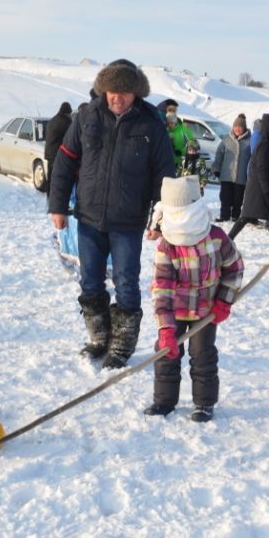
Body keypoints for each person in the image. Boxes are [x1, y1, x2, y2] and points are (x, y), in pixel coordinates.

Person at [48, 59, 175, 368]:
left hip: (128, 221)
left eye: (125, 91)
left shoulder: (151, 124)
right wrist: (58, 206)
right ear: (103, 90)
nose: (117, 97)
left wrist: (157, 219)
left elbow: (164, 175)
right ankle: (99, 337)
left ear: (136, 93)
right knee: (89, 281)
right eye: (112, 91)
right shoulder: (86, 117)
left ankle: (122, 345)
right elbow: (64, 163)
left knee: (126, 282)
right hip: (89, 217)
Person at [144, 176, 244, 422]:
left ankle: (204, 403)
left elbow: (235, 268)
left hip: (206, 311)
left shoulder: (216, 237)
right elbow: (163, 287)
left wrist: (224, 300)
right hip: (174, 311)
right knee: (167, 353)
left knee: (203, 356)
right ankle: (164, 401)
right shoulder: (167, 245)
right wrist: (166, 328)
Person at [230, 113, 269, 260]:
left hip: (261, 187)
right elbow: (262, 171)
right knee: (247, 216)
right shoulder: (265, 145)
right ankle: (226, 242)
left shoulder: (268, 144)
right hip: (259, 189)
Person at [211, 113, 250, 222]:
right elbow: (219, 154)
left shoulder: (249, 141)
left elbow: (252, 159)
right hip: (226, 174)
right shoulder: (226, 139)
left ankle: (236, 216)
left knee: (238, 198)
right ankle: (224, 216)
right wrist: (216, 168)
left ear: (244, 128)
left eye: (240, 127)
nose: (237, 129)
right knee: (225, 197)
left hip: (241, 176)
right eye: (235, 127)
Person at [44, 101, 73, 194]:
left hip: (49, 153)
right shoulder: (65, 122)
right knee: (58, 178)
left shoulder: (52, 120)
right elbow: (72, 137)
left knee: (51, 177)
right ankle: (55, 200)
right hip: (57, 155)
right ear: (67, 113)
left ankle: (49, 197)